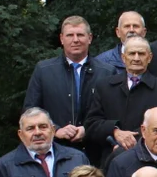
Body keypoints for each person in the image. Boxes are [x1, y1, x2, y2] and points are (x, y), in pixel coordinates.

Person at [24, 16, 117, 150]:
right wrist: (55, 129)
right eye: (70, 35)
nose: (75, 40)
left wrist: (87, 129)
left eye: (80, 35)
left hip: (95, 149)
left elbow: (112, 112)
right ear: (62, 39)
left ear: (89, 38)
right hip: (55, 148)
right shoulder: (43, 71)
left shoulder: (107, 72)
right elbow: (30, 111)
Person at [83, 36, 157, 161]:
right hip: (110, 158)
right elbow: (91, 124)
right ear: (123, 58)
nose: (136, 58)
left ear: (150, 58)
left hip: (150, 159)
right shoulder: (105, 86)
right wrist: (115, 132)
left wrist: (129, 143)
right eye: (132, 53)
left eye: (141, 54)